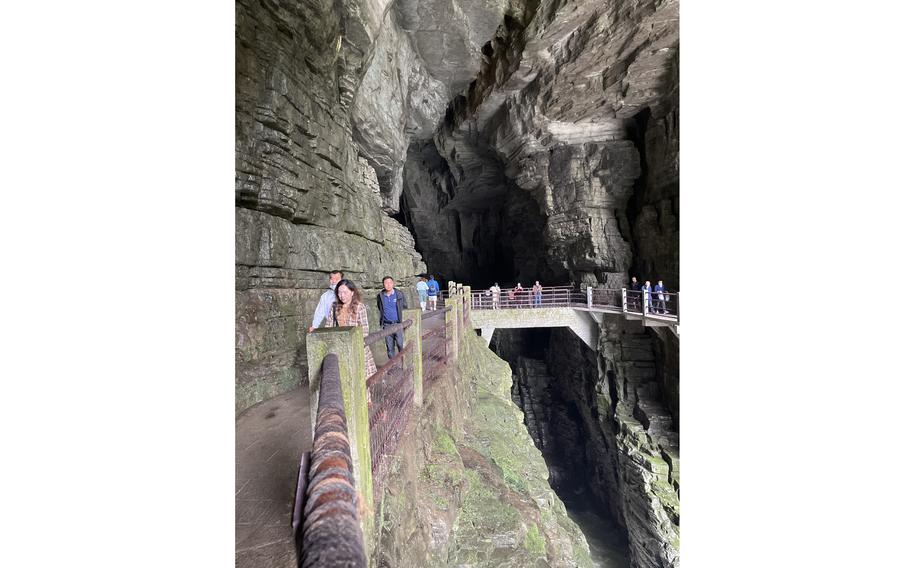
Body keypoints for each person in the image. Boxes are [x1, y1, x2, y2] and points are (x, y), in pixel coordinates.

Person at [328, 279, 377, 379]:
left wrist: (353, 342)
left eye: (345, 292)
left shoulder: (359, 307)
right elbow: (329, 327)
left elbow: (365, 329)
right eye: (339, 292)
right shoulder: (334, 307)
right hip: (341, 348)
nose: (342, 295)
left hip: (357, 346)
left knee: (363, 378)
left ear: (352, 292)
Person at [376, 276, 408, 359]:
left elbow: (404, 307)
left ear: (393, 283)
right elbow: (380, 307)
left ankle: (403, 362)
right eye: (386, 283)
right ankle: (392, 367)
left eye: (390, 283)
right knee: (390, 348)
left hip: (398, 324)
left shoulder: (399, 294)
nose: (388, 285)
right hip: (387, 325)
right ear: (383, 284)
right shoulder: (380, 296)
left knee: (400, 344)